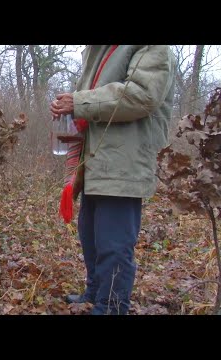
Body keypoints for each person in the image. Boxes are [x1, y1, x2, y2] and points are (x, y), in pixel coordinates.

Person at [50, 45, 176, 315]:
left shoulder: (152, 47)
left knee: (114, 244)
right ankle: (95, 293)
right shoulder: (97, 50)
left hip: (123, 162)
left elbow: (142, 95)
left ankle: (111, 307)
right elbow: (91, 98)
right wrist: (69, 107)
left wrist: (79, 102)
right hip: (95, 159)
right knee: (91, 235)